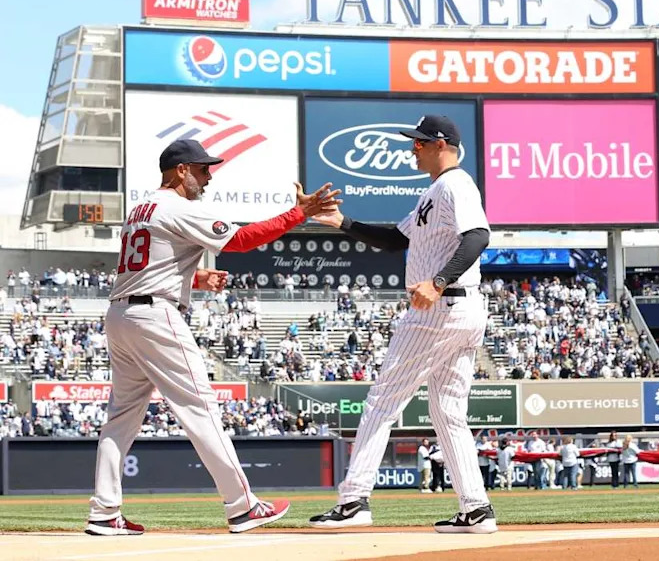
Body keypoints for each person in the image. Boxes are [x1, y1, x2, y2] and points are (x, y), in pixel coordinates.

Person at [86, 139, 339, 535]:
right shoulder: (177, 206)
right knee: (200, 407)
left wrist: (195, 278)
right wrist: (297, 213)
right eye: (202, 168)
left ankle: (103, 513)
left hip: (121, 313)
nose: (208, 175)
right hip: (154, 316)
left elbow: (150, 261)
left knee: (119, 419)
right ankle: (242, 506)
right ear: (180, 170)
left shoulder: (140, 208)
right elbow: (240, 240)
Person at [309, 115, 497, 534]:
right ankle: (476, 508)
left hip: (440, 307)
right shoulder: (434, 191)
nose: (412, 148)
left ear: (441, 144)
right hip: (460, 310)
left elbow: (479, 236)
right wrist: (345, 223)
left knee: (381, 401)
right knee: (448, 411)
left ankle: (354, 499)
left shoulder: (455, 184)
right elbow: (397, 239)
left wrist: (438, 281)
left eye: (419, 142)